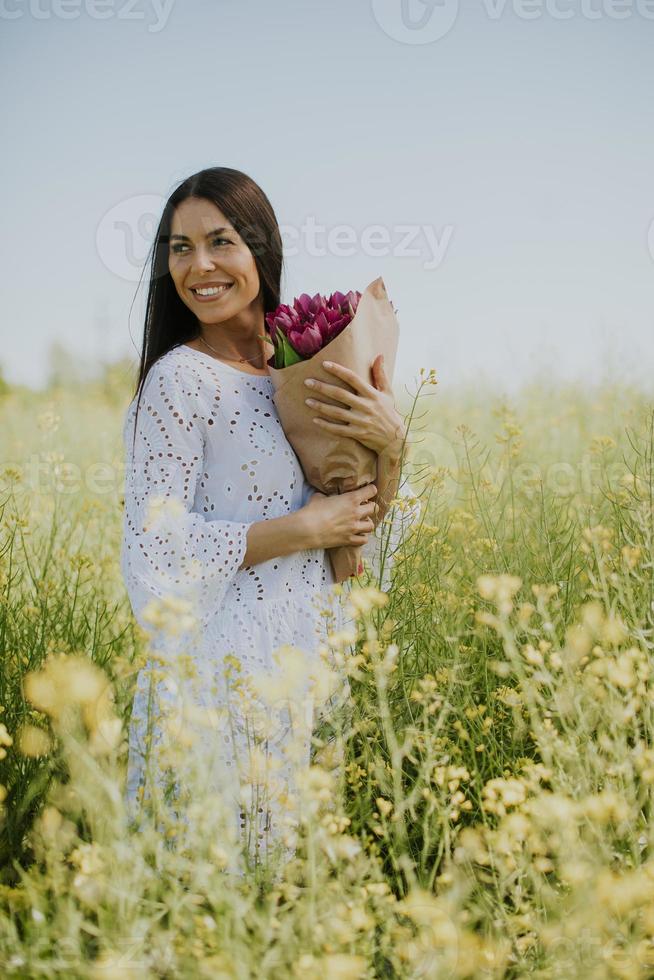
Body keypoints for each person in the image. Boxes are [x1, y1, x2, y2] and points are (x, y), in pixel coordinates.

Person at [120, 166, 421, 880]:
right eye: (179, 247)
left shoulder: (309, 366)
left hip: (306, 666)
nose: (200, 266)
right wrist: (305, 530)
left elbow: (378, 541)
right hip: (213, 682)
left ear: (262, 250)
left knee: (290, 907)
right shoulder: (178, 382)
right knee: (207, 902)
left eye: (220, 242)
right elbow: (154, 552)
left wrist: (395, 442)